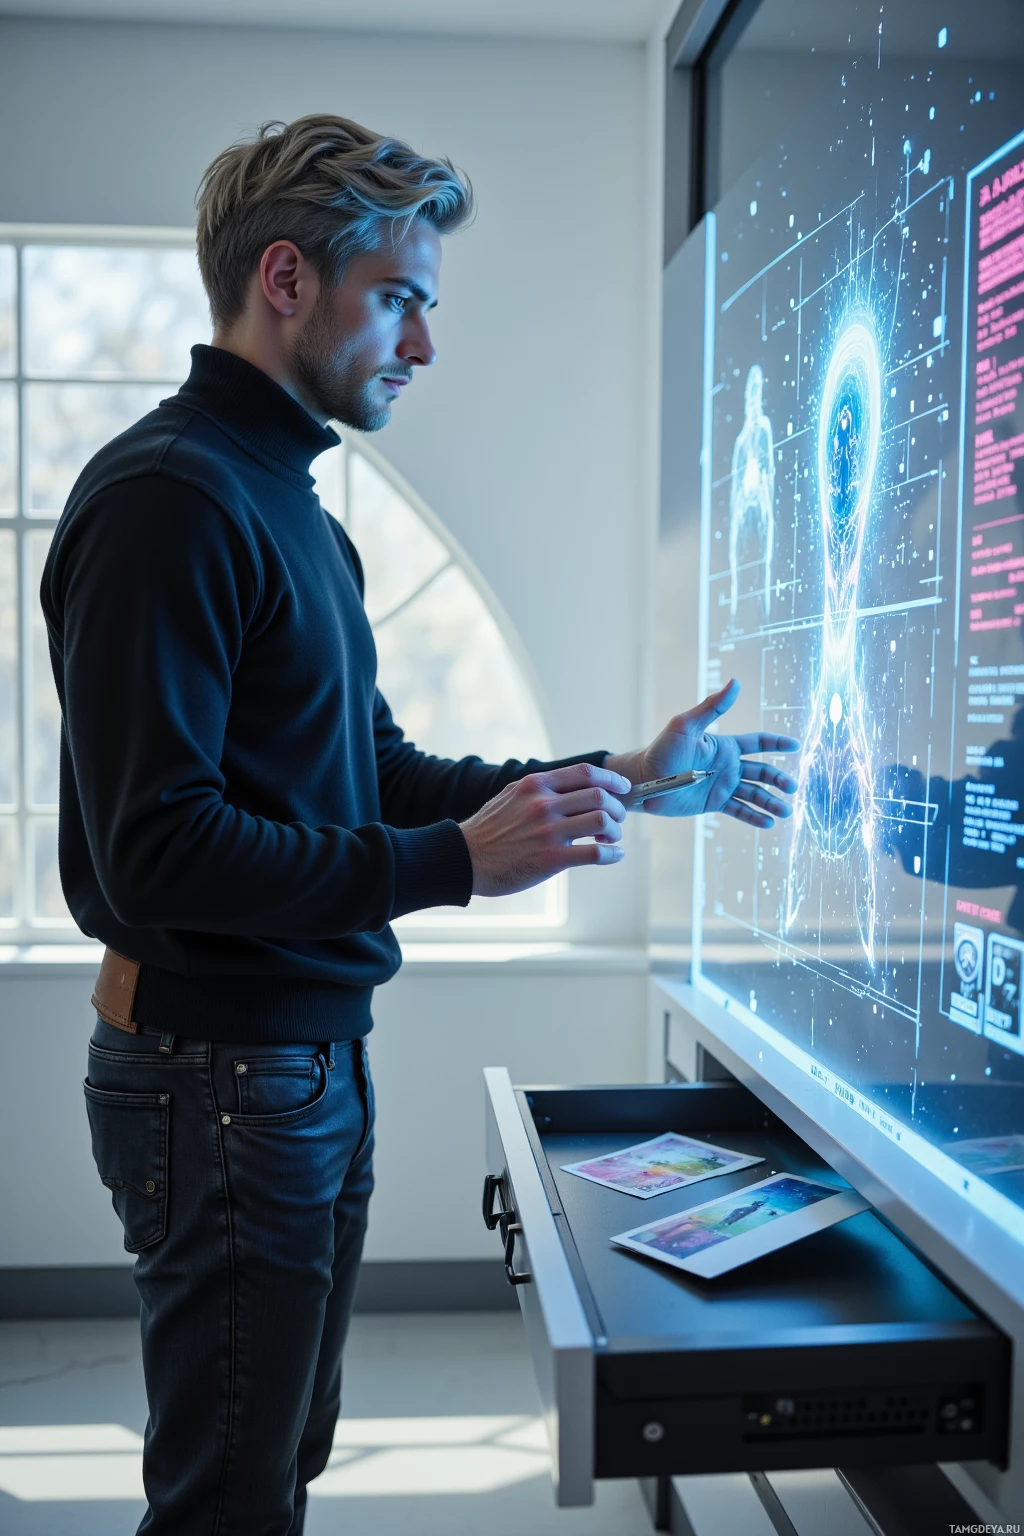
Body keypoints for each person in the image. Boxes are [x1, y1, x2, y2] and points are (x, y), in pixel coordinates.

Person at [40, 114, 799, 1535]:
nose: (423, 347)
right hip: (220, 1075)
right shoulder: (170, 502)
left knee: (277, 1466)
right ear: (286, 279)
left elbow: (372, 771)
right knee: (225, 1499)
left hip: (295, 1065)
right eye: (400, 299)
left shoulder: (294, 513)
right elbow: (158, 850)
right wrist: (458, 866)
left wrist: (621, 773)